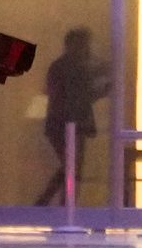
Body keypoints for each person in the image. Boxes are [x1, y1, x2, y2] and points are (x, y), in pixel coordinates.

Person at [35, 28, 105, 206]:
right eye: (82, 44)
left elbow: (78, 95)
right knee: (72, 167)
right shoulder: (70, 68)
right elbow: (80, 95)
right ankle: (62, 206)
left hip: (67, 124)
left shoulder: (64, 66)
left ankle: (59, 204)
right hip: (66, 124)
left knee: (70, 167)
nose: (85, 48)